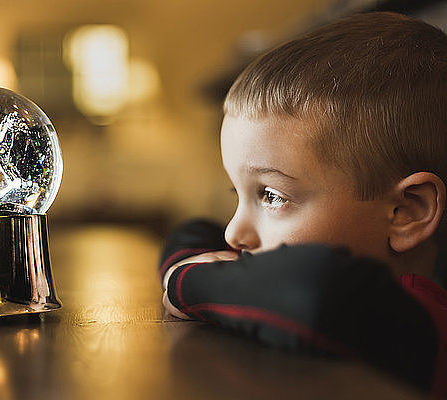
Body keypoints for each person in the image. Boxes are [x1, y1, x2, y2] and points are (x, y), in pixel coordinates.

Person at [159, 12, 447, 398]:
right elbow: (192, 231)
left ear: (406, 213)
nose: (233, 233)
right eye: (238, 194)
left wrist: (184, 282)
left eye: (271, 196)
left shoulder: (423, 323)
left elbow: (314, 291)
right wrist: (190, 264)